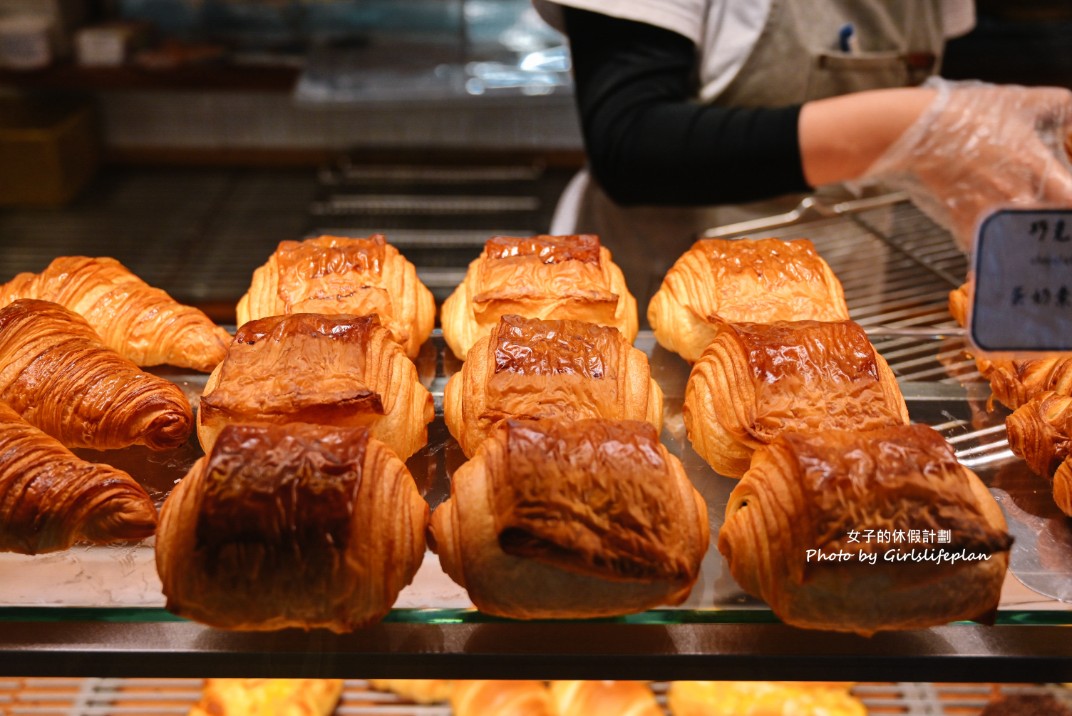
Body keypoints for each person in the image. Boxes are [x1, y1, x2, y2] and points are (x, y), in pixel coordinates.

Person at [532, 0, 1072, 310]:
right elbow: (630, 143)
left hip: (845, 317)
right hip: (665, 314)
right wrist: (920, 126)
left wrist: (995, 118)